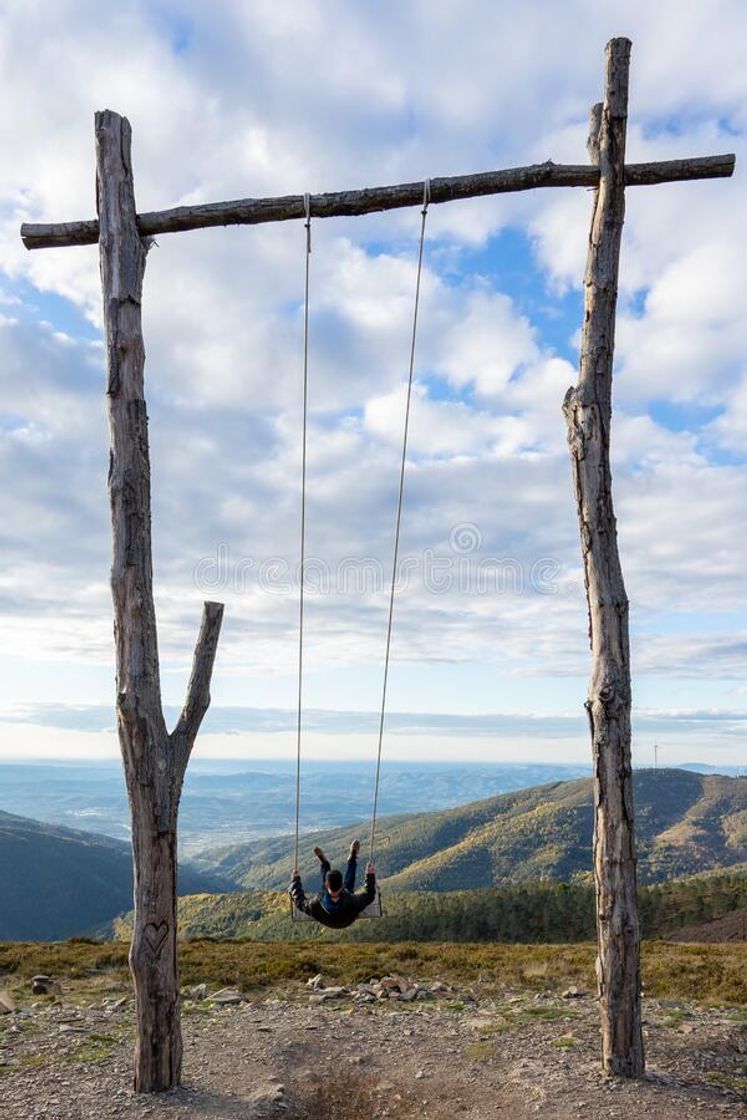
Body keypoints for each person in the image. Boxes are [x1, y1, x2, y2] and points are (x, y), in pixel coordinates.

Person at [289, 839, 376, 929]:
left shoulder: (315, 905)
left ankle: (325, 863)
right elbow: (370, 895)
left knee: (328, 882)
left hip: (328, 921)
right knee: (349, 884)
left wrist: (295, 880)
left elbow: (300, 902)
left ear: (326, 885)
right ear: (342, 885)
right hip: (346, 921)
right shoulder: (352, 901)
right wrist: (370, 874)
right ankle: (352, 858)